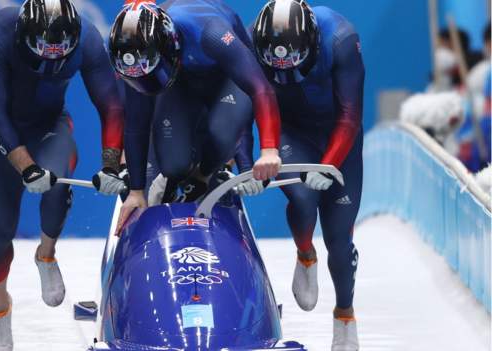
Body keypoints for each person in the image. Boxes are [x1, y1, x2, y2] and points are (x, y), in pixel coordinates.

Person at [0, 0, 124, 349]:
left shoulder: (87, 38)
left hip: (49, 127)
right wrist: (25, 167)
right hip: (2, 134)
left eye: (61, 55)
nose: (51, 62)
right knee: (0, 232)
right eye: (43, 52)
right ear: (25, 35)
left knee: (56, 184)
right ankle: (0, 308)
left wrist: (111, 165)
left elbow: (112, 105)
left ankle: (46, 254)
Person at [238, 1, 365, 349]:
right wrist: (250, 161)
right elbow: (252, 100)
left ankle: (345, 314)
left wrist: (331, 162)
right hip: (291, 133)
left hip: (339, 136)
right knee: (303, 199)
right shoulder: (252, 40)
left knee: (339, 241)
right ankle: (305, 252)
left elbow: (350, 113)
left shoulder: (340, 38)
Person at [108, 0, 283, 232]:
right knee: (173, 165)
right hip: (181, 82)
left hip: (228, 78)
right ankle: (184, 181)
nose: (144, 83)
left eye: (150, 73)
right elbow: (137, 124)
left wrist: (267, 151)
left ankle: (206, 174)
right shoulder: (134, 59)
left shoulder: (211, 33)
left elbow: (260, 89)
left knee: (222, 134)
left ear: (170, 44)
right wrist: (136, 192)